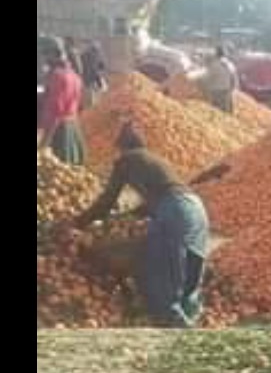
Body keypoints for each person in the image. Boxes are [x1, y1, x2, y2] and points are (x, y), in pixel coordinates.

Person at [75, 123, 210, 328]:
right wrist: (128, 215)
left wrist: (79, 222)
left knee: (161, 269)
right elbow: (156, 199)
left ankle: (176, 326)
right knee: (191, 267)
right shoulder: (153, 160)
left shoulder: (126, 160)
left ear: (122, 147)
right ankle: (191, 317)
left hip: (174, 211)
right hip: (196, 208)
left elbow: (107, 201)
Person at [40, 41, 86, 166]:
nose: (43, 59)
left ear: (52, 55)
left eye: (44, 55)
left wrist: (44, 143)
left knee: (55, 173)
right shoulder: (74, 75)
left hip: (60, 133)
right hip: (73, 129)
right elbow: (80, 105)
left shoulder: (57, 76)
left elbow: (55, 112)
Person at [205, 46, 238, 114]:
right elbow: (234, 78)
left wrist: (208, 89)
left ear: (216, 54)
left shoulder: (214, 65)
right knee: (227, 110)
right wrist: (233, 88)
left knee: (216, 111)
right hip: (227, 90)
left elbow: (209, 78)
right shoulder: (230, 64)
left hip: (216, 91)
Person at [80, 40, 108, 107]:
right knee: (93, 96)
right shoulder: (98, 55)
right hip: (92, 78)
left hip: (91, 78)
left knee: (92, 96)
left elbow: (102, 67)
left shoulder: (85, 55)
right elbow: (103, 67)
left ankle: (92, 108)